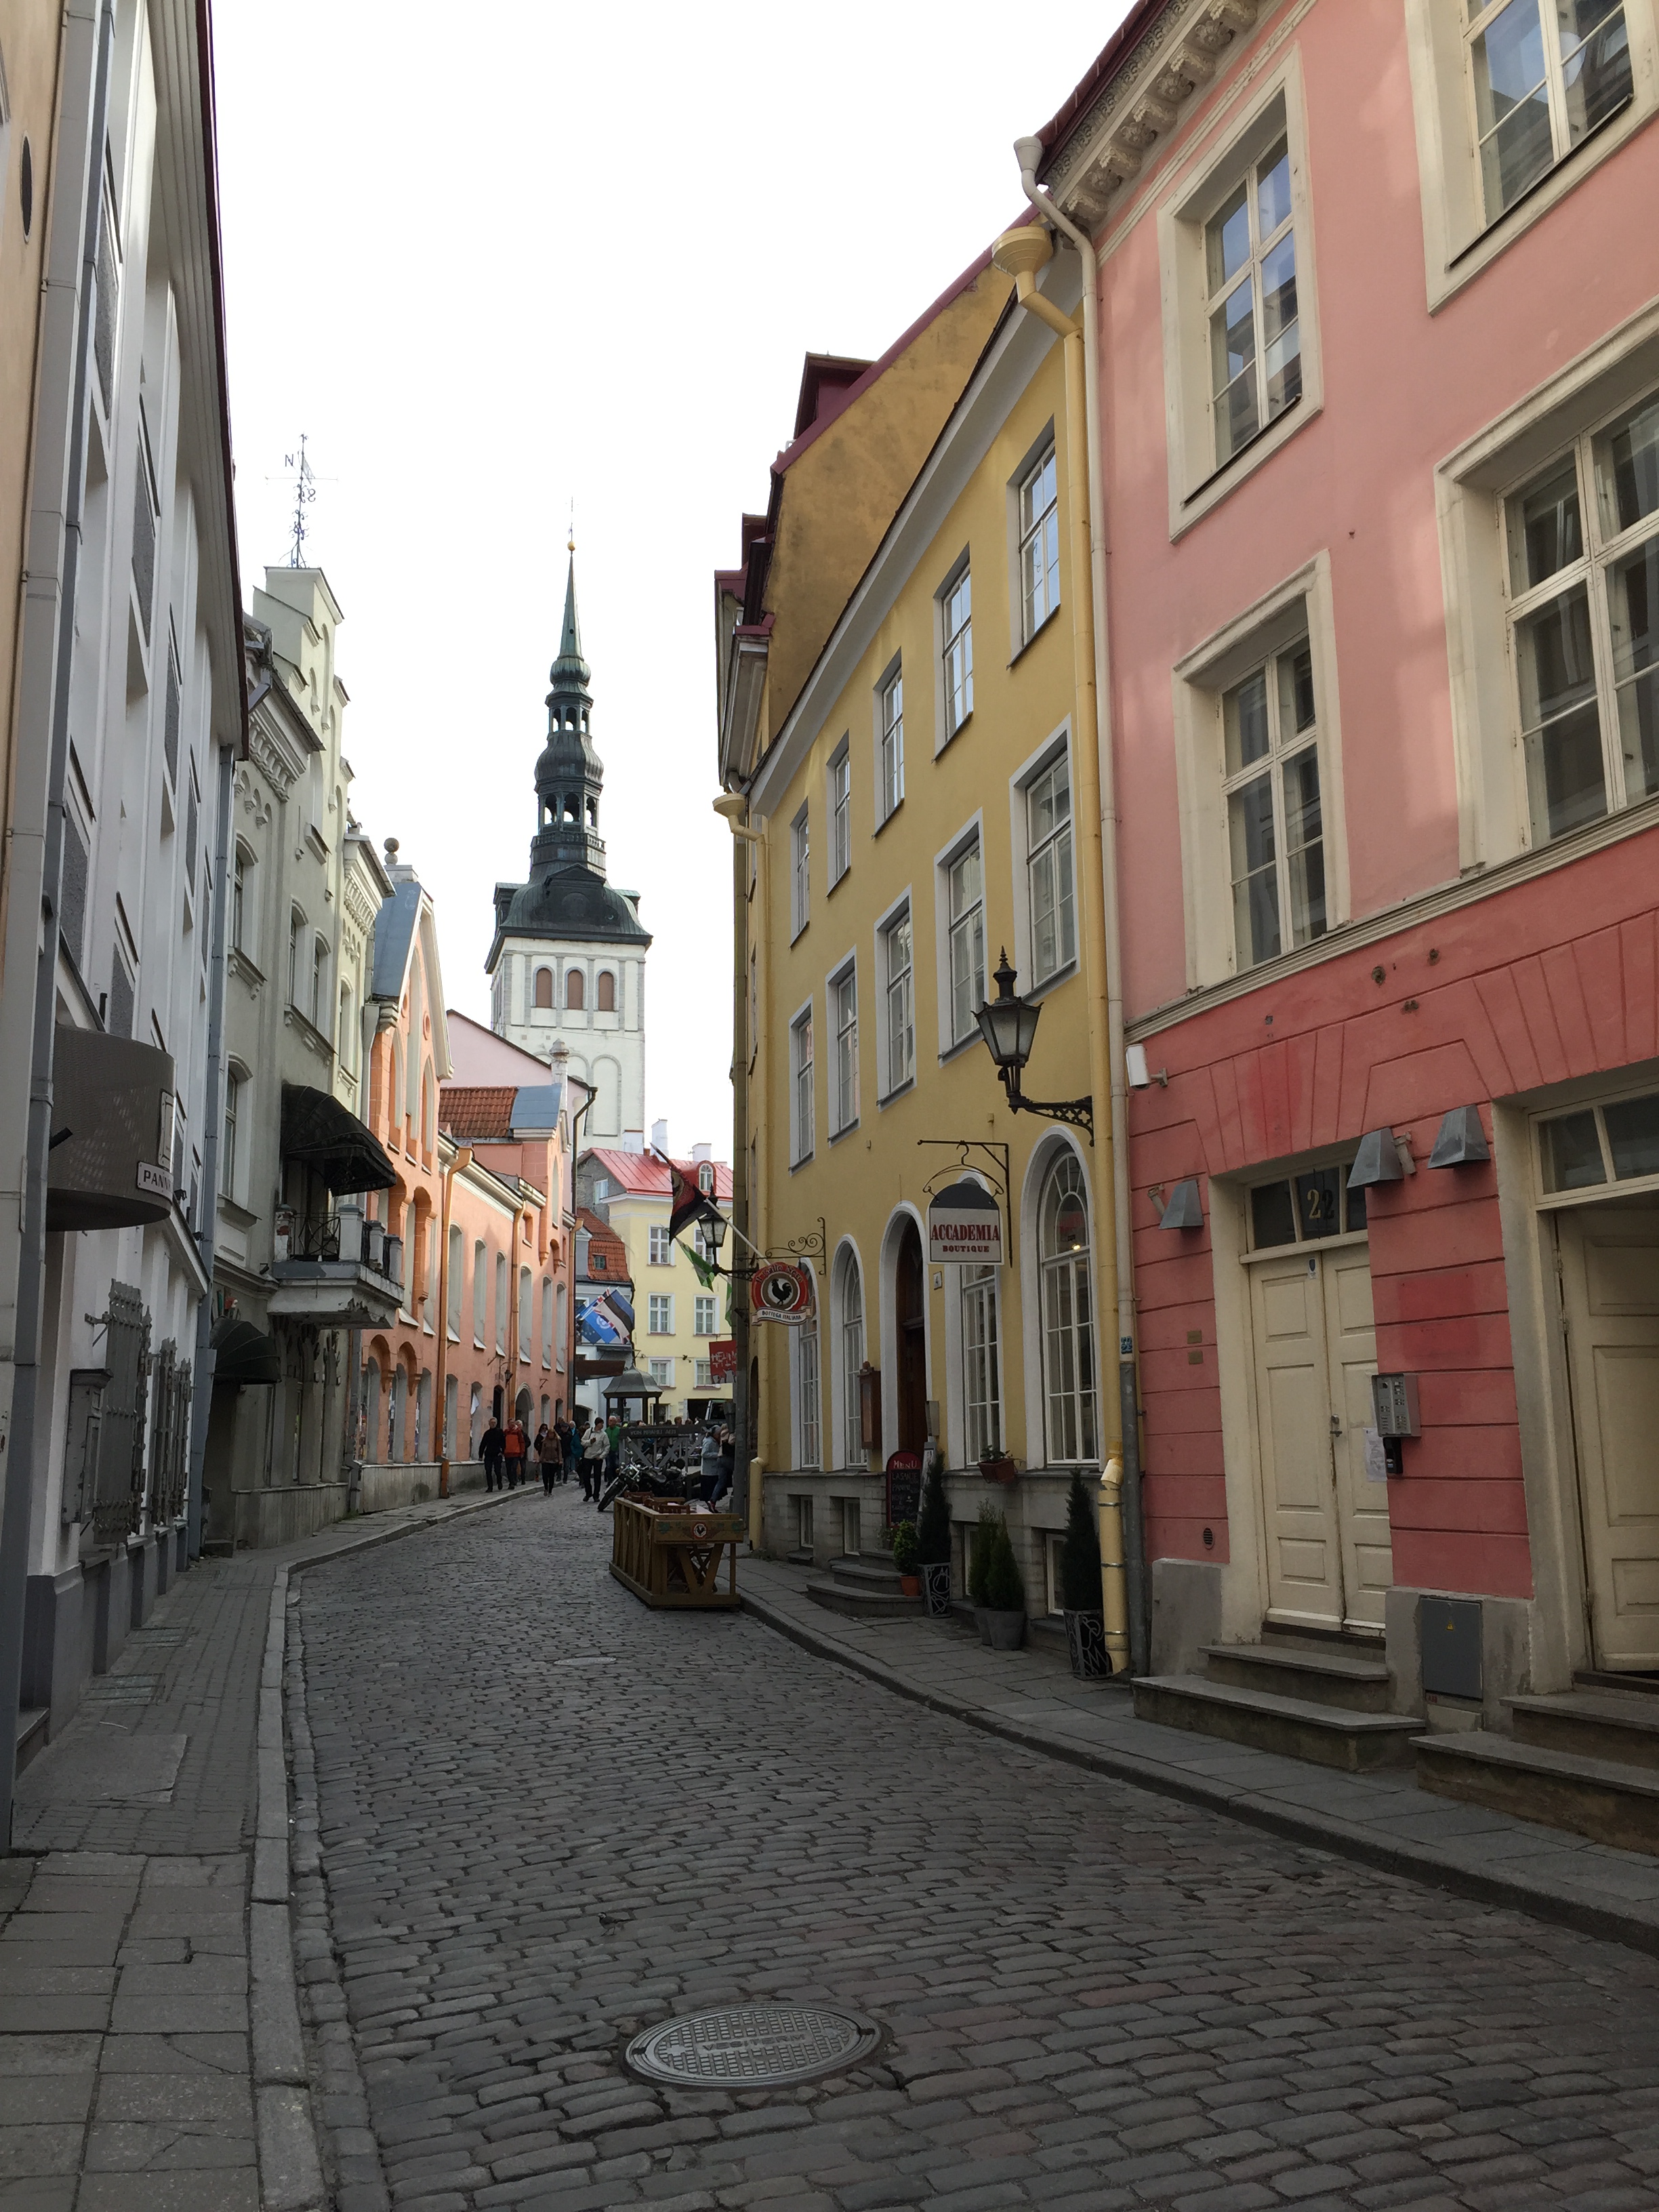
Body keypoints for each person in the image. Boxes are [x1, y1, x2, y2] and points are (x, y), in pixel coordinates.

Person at [579, 1416, 607, 1502]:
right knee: (586, 1477)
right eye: (601, 1423)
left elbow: (607, 1447)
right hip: (587, 1457)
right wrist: (590, 1442)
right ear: (597, 1424)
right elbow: (583, 1442)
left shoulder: (603, 1435)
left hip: (597, 1458)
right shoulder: (589, 1431)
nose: (602, 1425)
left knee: (597, 1478)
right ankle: (588, 1493)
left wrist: (601, 1456)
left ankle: (596, 1495)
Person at [480, 1417, 505, 1493]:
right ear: (489, 1424)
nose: (493, 1424)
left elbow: (504, 1443)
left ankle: (499, 1482)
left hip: (497, 1454)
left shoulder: (500, 1432)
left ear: (496, 1423)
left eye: (494, 1423)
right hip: (488, 1454)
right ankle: (490, 1487)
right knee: (488, 1471)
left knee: (497, 1470)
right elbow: (483, 1444)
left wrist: (503, 1452)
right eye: (491, 1423)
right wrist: (480, 1455)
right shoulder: (487, 1433)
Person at [537, 1422, 560, 1496]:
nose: (551, 1435)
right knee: (545, 1476)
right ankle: (546, 1488)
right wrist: (540, 1459)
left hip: (554, 1461)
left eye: (552, 1434)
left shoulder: (557, 1441)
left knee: (551, 1476)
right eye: (550, 1434)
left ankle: (550, 1491)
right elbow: (543, 1451)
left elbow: (560, 1451)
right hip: (546, 1460)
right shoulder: (545, 1441)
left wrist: (560, 1460)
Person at [502, 1418, 526, 1489]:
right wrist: (503, 1451)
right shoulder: (506, 1432)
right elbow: (503, 1442)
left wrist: (522, 1452)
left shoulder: (518, 1432)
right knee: (508, 1469)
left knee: (514, 1468)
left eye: (513, 1423)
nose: (512, 1424)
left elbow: (522, 1442)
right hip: (508, 1453)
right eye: (511, 1423)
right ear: (508, 1424)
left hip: (516, 1453)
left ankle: (513, 1482)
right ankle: (511, 1482)